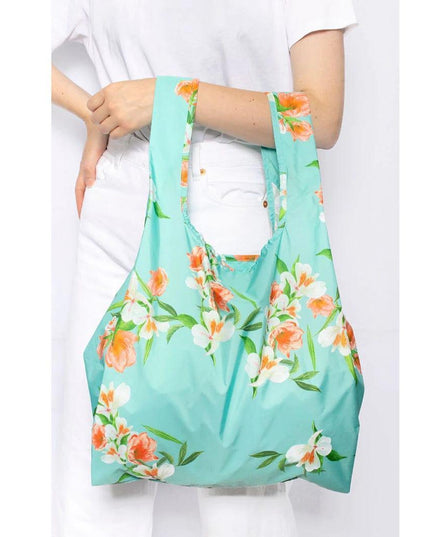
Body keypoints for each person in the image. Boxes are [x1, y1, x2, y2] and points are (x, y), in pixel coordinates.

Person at [51, 1, 358, 536]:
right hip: (120, 194)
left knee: (240, 467)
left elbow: (321, 117)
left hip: (227, 200)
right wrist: (99, 114)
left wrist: (169, 97)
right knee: (98, 468)